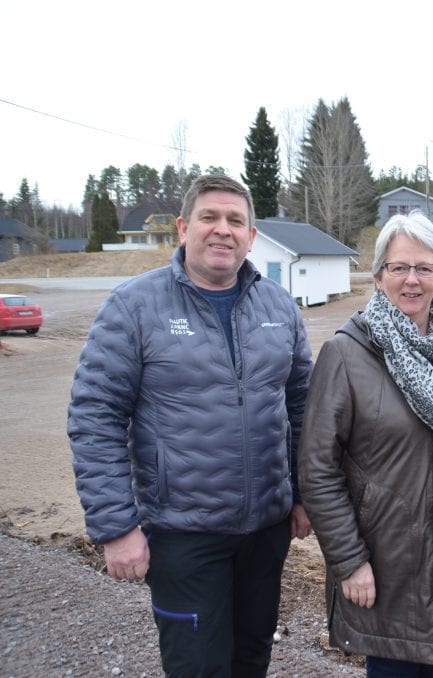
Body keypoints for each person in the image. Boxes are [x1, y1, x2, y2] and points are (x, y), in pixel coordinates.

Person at [68, 174, 313, 677]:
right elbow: (96, 417)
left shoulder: (279, 307)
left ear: (250, 236)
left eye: (235, 221)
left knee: (251, 659)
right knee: (198, 667)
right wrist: (116, 528)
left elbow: (302, 407)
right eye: (209, 217)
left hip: (266, 531)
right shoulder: (134, 307)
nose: (222, 230)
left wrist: (303, 495)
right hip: (183, 534)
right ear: (184, 227)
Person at [297, 211, 433, 677]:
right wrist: (349, 561)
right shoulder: (347, 354)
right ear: (377, 277)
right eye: (399, 268)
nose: (412, 280)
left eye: (424, 268)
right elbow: (317, 468)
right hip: (383, 568)